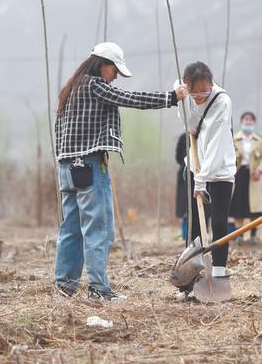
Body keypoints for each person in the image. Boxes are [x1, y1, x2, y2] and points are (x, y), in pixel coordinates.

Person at [54, 42, 187, 301]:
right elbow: (131, 99)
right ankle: (99, 289)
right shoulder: (95, 85)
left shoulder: (69, 89)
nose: (115, 77)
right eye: (115, 71)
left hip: (66, 166)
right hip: (90, 166)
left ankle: (64, 286)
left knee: (70, 228)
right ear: (102, 64)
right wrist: (170, 98)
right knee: (99, 229)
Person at [177, 61, 236, 296]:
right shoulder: (186, 96)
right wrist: (181, 101)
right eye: (195, 93)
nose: (200, 97)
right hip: (195, 168)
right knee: (196, 230)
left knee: (220, 224)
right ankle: (189, 282)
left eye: (204, 92)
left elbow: (217, 144)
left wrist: (203, 179)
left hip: (219, 171)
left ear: (211, 85)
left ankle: (219, 277)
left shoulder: (222, 102)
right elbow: (191, 126)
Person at [229, 111, 262, 244]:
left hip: (254, 176)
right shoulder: (234, 139)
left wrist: (259, 170)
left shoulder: (259, 140)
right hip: (238, 174)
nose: (248, 122)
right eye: (246, 119)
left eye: (251, 120)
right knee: (238, 206)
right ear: (241, 122)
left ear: (254, 123)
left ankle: (252, 235)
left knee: (254, 207)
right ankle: (239, 235)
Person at [175, 133, 188, 241]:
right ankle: (185, 235)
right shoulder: (183, 137)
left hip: (202, 174)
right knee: (184, 207)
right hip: (185, 174)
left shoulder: (203, 134)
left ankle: (203, 235)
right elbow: (178, 157)